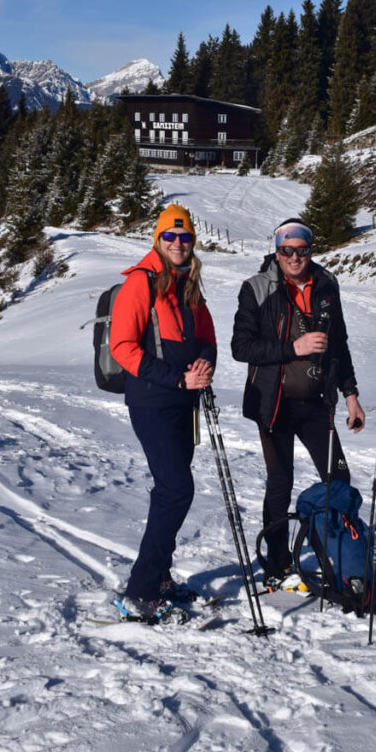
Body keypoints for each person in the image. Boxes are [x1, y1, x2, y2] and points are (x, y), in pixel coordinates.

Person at [231, 218, 365, 587]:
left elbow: (339, 346)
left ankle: (333, 555)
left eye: (301, 249)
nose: (294, 256)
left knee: (337, 479)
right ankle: (277, 563)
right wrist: (294, 348)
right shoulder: (257, 288)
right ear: (277, 251)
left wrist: (351, 395)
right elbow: (240, 348)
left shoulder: (326, 286)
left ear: (310, 249)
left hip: (316, 402)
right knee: (280, 481)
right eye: (286, 250)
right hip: (273, 402)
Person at [110, 204, 216, 620]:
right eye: (169, 237)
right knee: (177, 490)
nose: (177, 243)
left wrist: (205, 363)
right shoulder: (141, 282)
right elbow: (123, 348)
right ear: (157, 239)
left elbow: (207, 337)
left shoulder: (189, 284)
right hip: (152, 403)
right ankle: (140, 590)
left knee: (168, 492)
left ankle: (160, 577)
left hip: (183, 404)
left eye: (184, 237)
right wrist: (177, 379)